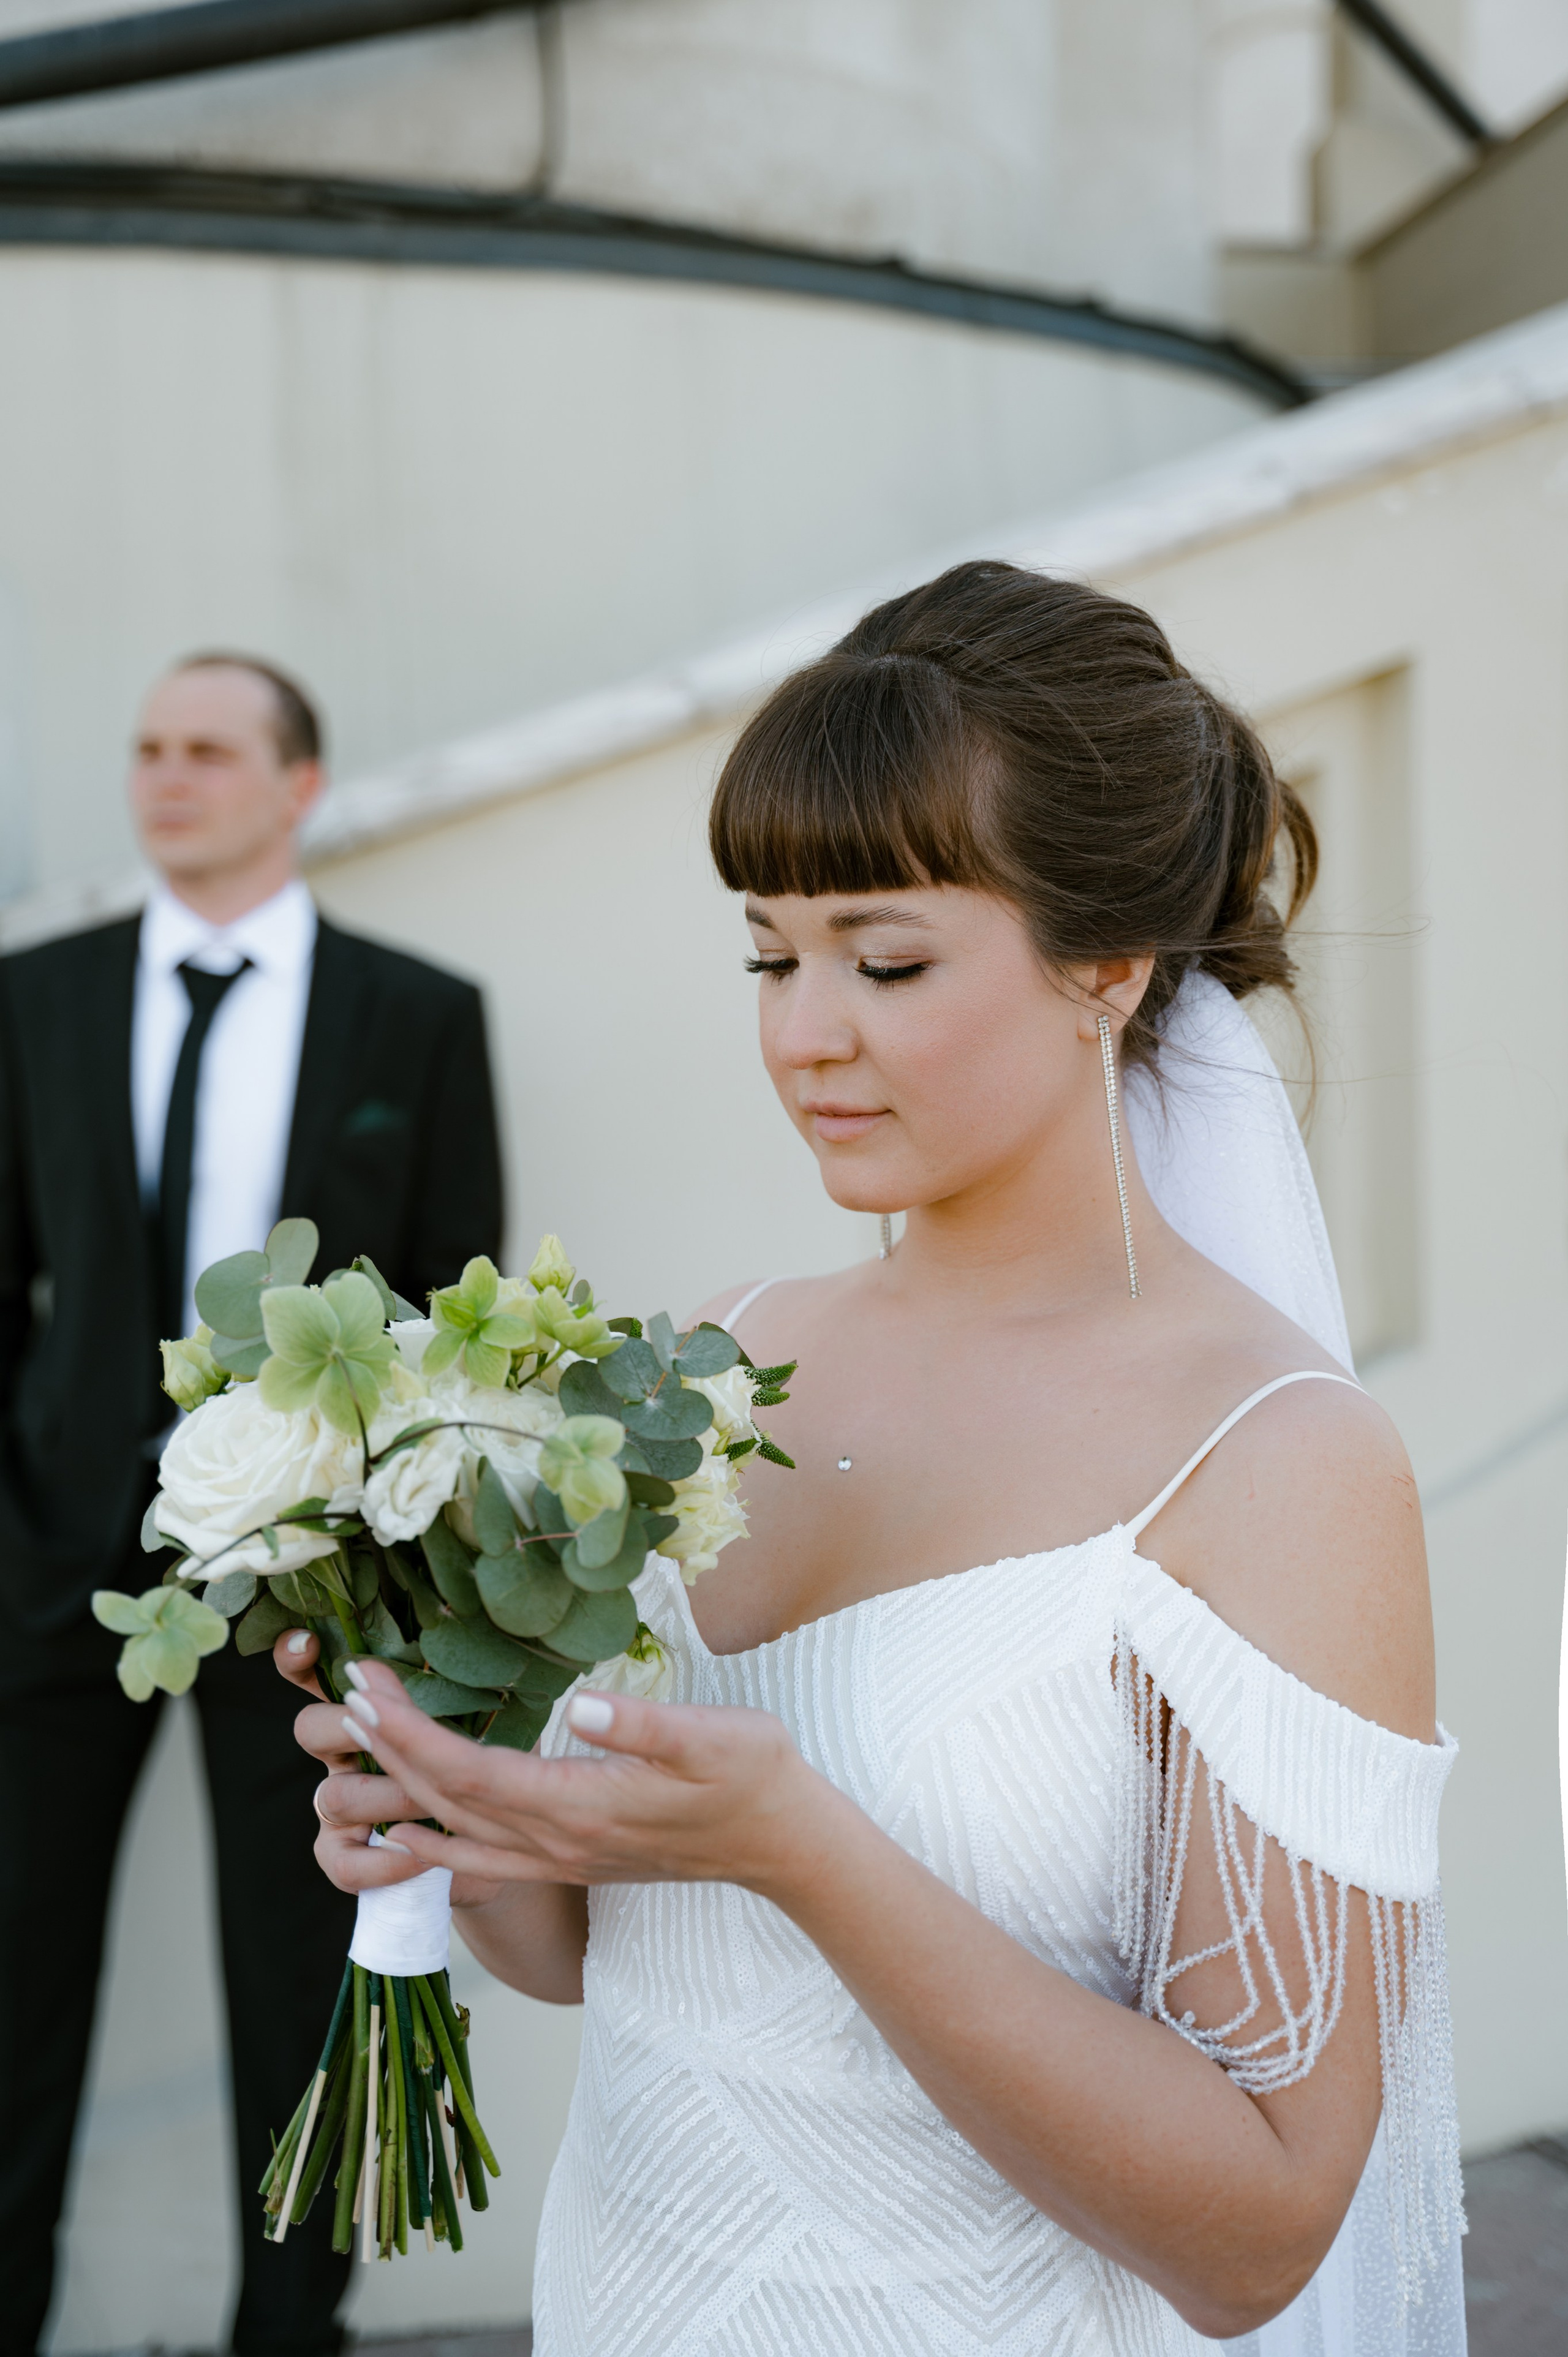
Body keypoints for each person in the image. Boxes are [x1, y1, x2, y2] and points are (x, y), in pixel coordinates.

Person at [284, 565, 1463, 2355]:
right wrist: (458, 1803)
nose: (801, 1034)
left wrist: (806, 1850)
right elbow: (602, 1963)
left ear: (1110, 965)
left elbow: (1263, 2234)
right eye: (769, 953)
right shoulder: (712, 1355)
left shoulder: (1276, 1455)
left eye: (885, 959)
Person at [0, 654, 503, 2357]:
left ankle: (292, 2335)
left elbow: (445, 1330)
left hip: (305, 1589)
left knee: (297, 1978)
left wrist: (388, 1581)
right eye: (146, 748)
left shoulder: (416, 1015)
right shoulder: (34, 999)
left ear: (299, 784)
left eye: (209, 750)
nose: (168, 777)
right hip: (51, 1572)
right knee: (11, 1979)